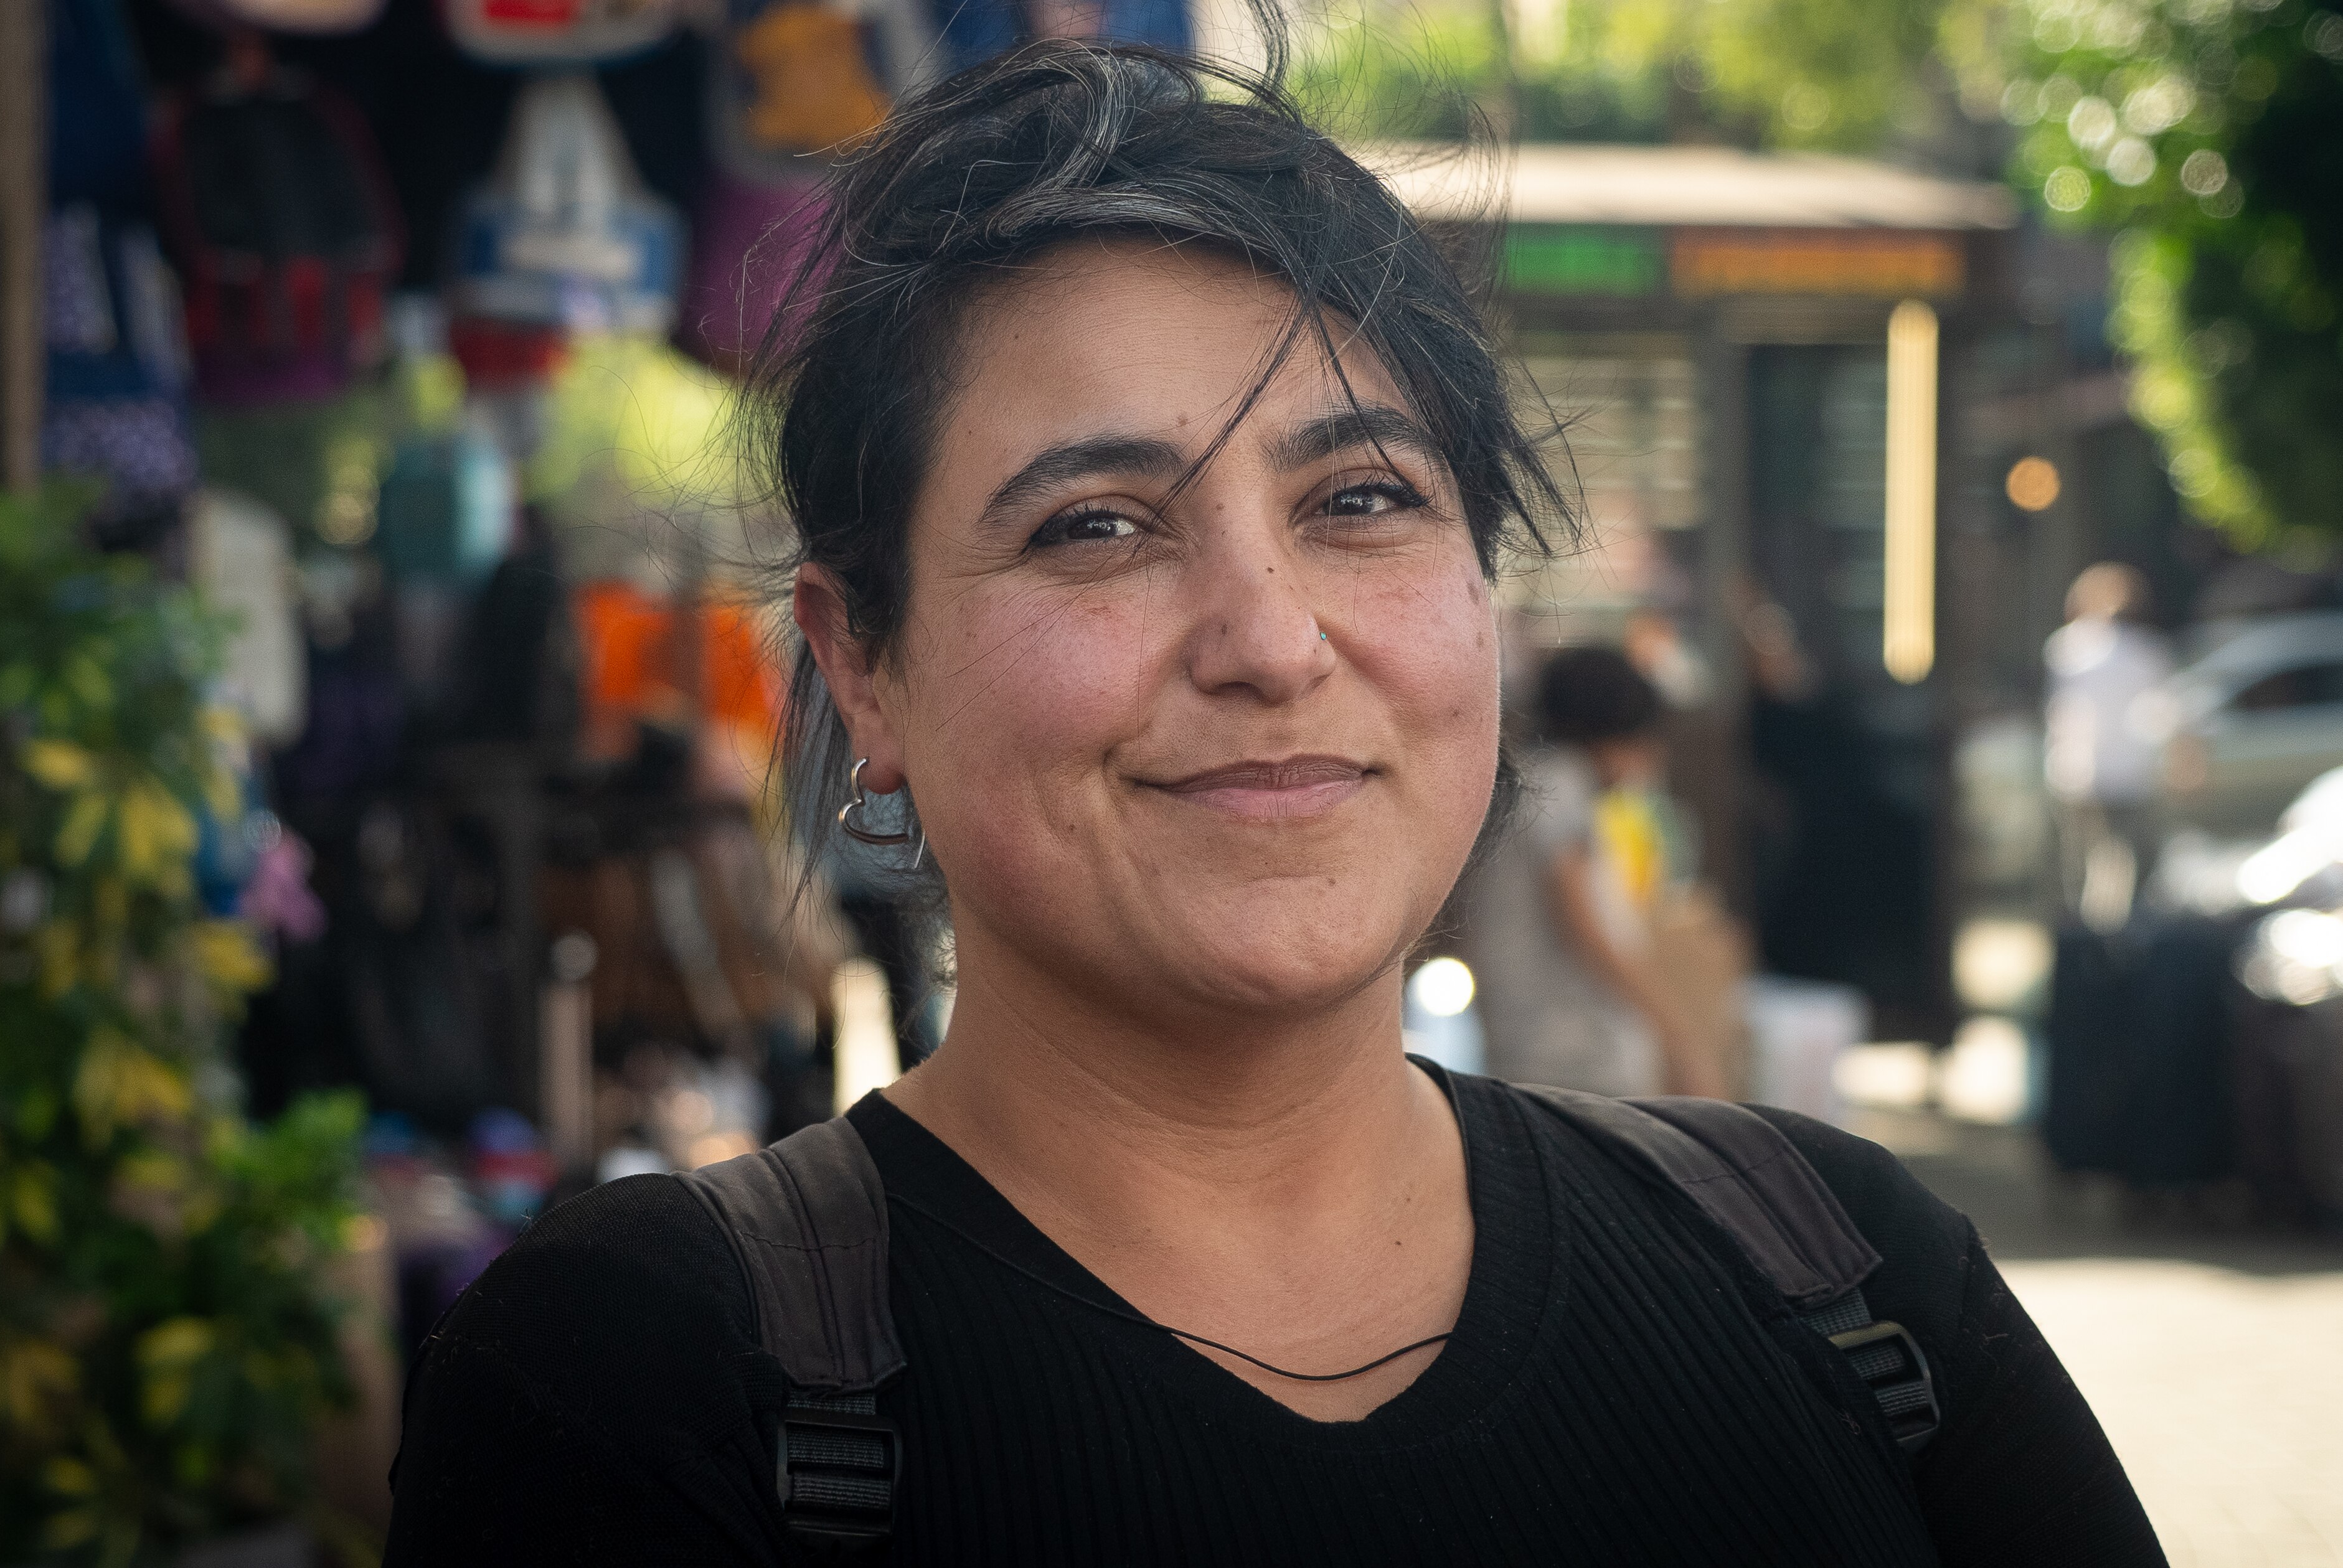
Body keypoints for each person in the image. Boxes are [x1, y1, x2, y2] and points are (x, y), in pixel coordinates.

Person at [384, 42, 2162, 1566]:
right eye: (1096, 524)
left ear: (1486, 590)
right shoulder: (648, 1380)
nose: (1266, 638)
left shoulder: (1847, 1283)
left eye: (1363, 500)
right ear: (864, 668)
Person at [1461, 646, 1725, 1098]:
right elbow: (1583, 926)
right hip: (1566, 1055)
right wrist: (1677, 1036)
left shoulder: (1536, 783)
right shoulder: (1560, 788)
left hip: (1537, 1050)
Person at [2044, 562, 2173, 928]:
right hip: (2124, 771)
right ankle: (2113, 933)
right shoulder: (2145, 651)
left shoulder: (2068, 648)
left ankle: (2091, 935)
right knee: (2122, 860)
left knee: (2085, 862)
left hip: (2079, 772)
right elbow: (2162, 712)